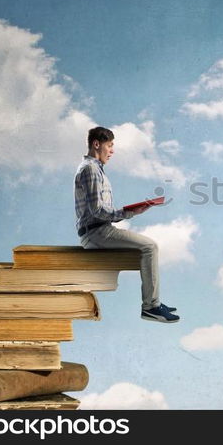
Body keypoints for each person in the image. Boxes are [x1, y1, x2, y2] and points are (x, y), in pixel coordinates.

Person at [74, 126, 179, 323]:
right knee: (150, 246)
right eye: (109, 146)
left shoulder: (94, 169)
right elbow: (98, 211)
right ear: (97, 144)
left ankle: (154, 302)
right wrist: (128, 212)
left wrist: (132, 211)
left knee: (145, 247)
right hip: (96, 232)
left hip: (98, 230)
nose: (112, 151)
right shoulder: (91, 169)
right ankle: (151, 306)